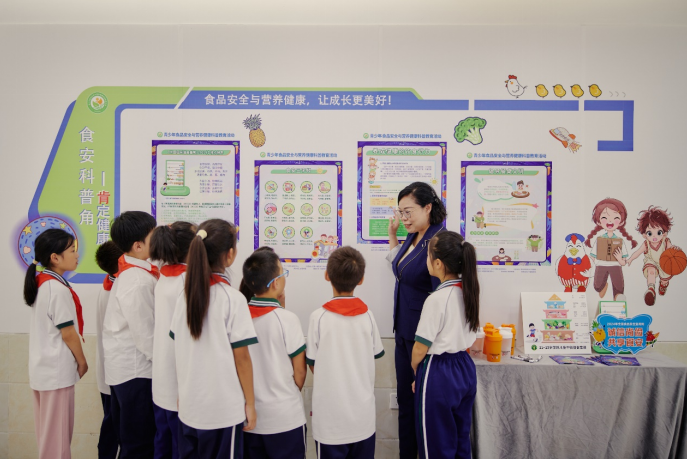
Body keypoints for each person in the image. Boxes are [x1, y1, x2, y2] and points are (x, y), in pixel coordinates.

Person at [170, 219, 257, 459]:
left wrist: (181, 392)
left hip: (190, 407)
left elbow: (179, 349)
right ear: (230, 255)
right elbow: (242, 359)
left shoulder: (184, 297)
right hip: (222, 413)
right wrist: (250, 403)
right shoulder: (232, 299)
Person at [306, 246, 384, 459]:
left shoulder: (318, 317)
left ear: (327, 275)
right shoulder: (368, 316)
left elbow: (312, 363)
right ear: (361, 280)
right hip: (362, 419)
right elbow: (375, 355)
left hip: (330, 422)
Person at [386, 181, 446, 458]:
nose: (404, 218)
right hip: (403, 332)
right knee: (406, 403)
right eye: (401, 212)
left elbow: (442, 297)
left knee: (421, 407)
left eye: (408, 212)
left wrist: (429, 346)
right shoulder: (414, 236)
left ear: (428, 207)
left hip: (422, 339)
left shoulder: (439, 242)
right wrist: (393, 235)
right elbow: (401, 269)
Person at [411, 231, 479, 459]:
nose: (426, 260)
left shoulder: (437, 299)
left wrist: (416, 372)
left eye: (428, 255)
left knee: (436, 445)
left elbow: (420, 348)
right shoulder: (469, 292)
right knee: (460, 440)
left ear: (438, 263)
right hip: (465, 368)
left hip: (438, 372)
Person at [23, 229, 87, 459]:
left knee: (49, 438)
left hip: (45, 371)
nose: (77, 254)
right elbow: (68, 333)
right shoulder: (56, 289)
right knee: (58, 443)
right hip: (56, 373)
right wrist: (82, 362)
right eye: (72, 250)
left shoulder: (43, 283)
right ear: (55, 257)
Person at [103, 211, 159, 458]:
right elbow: (145, 336)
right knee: (139, 444)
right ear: (138, 246)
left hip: (126, 371)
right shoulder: (137, 280)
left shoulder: (134, 274)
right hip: (136, 372)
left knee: (132, 440)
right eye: (154, 235)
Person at [241, 249, 307, 459]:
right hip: (285, 419)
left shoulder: (238, 316)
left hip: (249, 418)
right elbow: (300, 371)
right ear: (275, 283)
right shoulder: (287, 319)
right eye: (283, 272)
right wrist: (288, 394)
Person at [149, 222, 196, 459]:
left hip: (162, 380)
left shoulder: (164, 278)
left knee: (163, 444)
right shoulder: (187, 281)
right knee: (181, 448)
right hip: (179, 382)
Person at [94, 241, 123, 459]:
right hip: (114, 372)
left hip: (111, 371)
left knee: (113, 424)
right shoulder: (114, 291)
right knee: (113, 427)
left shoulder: (111, 285)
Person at [585, 198, 638, 301]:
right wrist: (598, 262)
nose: (610, 221)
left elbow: (623, 262)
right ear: (599, 221)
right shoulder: (599, 240)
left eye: (615, 218)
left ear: (621, 222)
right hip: (601, 265)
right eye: (605, 217)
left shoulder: (620, 241)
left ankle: (617, 300)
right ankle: (603, 286)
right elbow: (592, 256)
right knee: (597, 286)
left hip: (615, 265)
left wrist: (619, 259)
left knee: (619, 288)